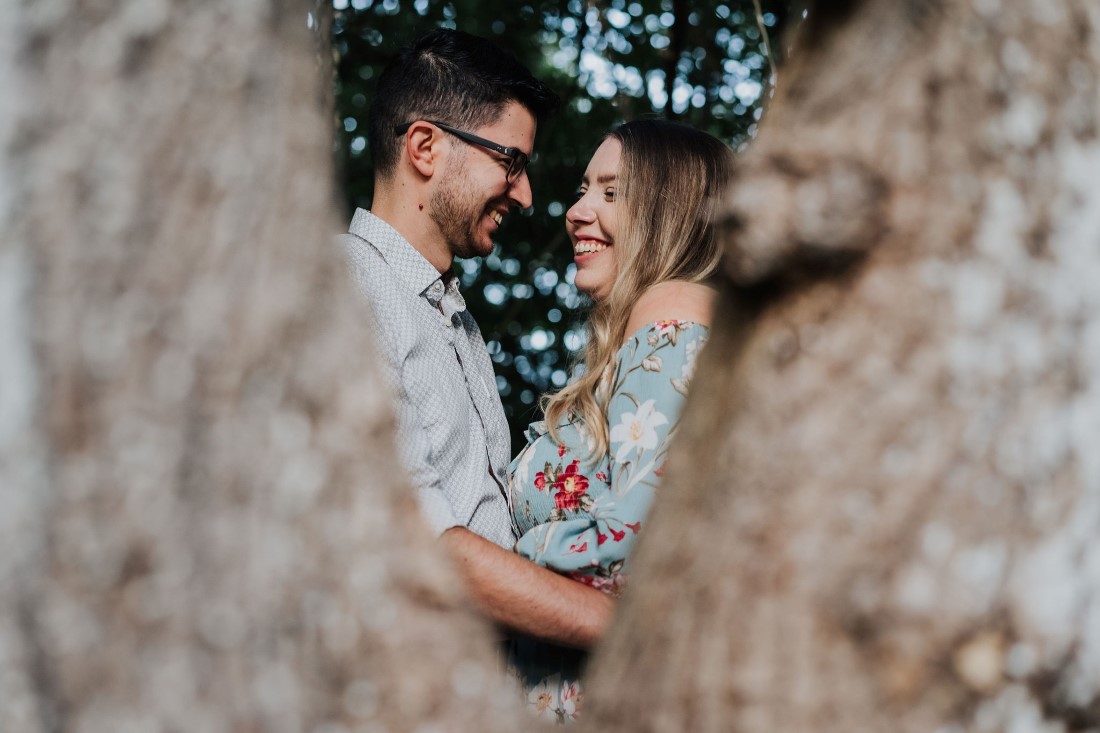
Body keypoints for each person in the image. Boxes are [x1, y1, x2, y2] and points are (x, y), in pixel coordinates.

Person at [338, 29, 615, 654]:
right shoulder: (350, 290)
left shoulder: (448, 312)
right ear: (426, 147)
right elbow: (415, 536)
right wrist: (632, 630)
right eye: (509, 162)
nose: (525, 194)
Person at [507, 119, 736, 722]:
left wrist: (481, 561)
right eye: (584, 188)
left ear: (674, 213)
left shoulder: (675, 310)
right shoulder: (650, 341)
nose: (577, 211)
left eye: (611, 193)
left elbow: (635, 547)